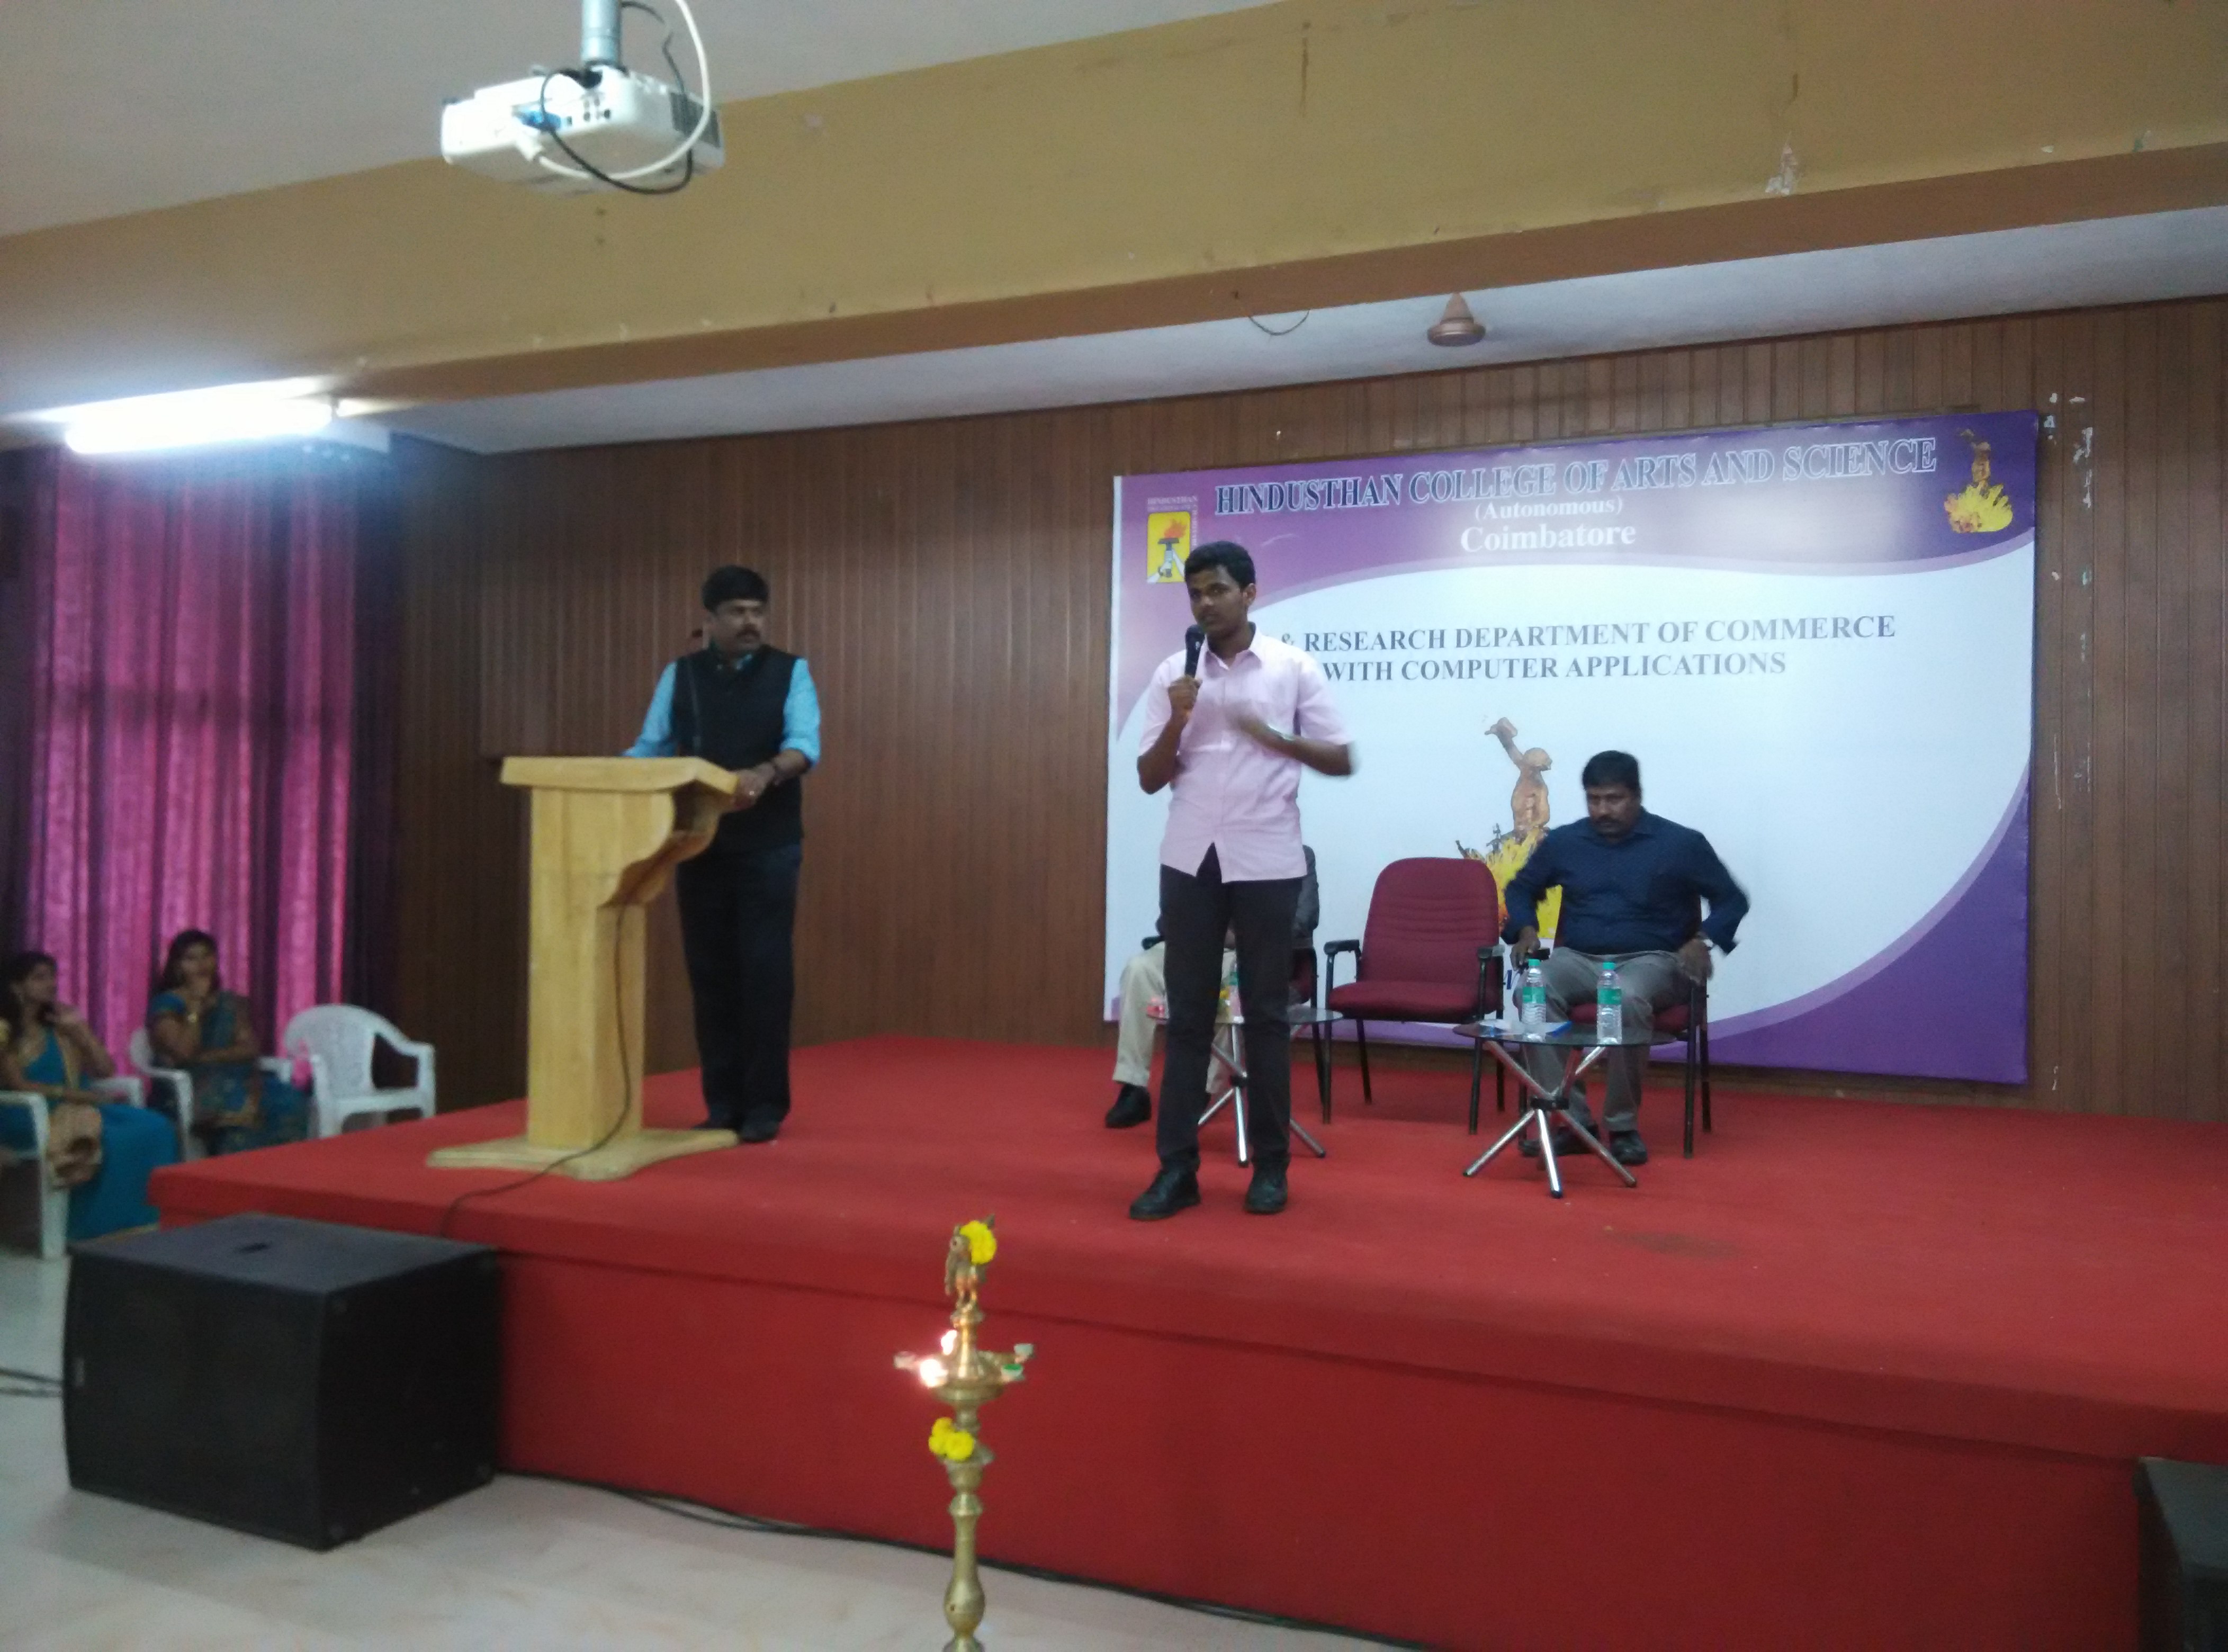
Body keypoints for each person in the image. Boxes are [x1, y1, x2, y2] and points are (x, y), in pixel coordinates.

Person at [1129, 543, 1354, 1220]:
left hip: (1267, 860)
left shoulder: (1292, 667)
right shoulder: (1173, 673)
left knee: (1265, 1019)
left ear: (1249, 593)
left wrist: (1273, 737)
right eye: (1195, 593)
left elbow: (1340, 757)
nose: (1204, 603)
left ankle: (1270, 1167)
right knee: (1187, 1019)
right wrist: (1178, 719)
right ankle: (1177, 1170)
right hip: (1190, 859)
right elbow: (1148, 779)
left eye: (1216, 590)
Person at [626, 565, 821, 1143]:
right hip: (699, 843)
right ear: (709, 621)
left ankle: (764, 1107)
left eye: (757, 611)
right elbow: (650, 747)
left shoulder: (791, 672)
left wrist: (765, 773)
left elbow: (804, 746)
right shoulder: (681, 676)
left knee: (764, 974)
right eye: (736, 612)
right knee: (710, 975)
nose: (750, 622)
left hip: (770, 847)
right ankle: (722, 1106)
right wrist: (604, 777)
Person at [1502, 751, 1747, 1166]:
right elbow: (1520, 889)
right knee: (1533, 991)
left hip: (1655, 961)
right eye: (1594, 800)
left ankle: (1622, 1126)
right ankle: (1570, 1121)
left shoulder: (1680, 844)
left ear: (1637, 796)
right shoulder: (1565, 843)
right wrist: (1525, 929)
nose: (1603, 810)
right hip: (1580, 958)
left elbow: (1732, 900)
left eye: (1614, 799)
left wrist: (1702, 939)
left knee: (1626, 996)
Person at [1106, 847, 1319, 1128]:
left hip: (1251, 953)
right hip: (1196, 947)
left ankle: (1204, 1090)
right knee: (1139, 969)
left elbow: (1303, 920)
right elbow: (1170, 918)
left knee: (1234, 988)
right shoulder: (1201, 850)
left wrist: (1239, 934)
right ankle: (1133, 1086)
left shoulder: (1294, 854)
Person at [1, 951, 181, 1241]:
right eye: (39, 978)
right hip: (29, 1113)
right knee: (110, 1138)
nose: (51, 984)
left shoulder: (59, 1027)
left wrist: (80, 1030)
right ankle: (90, 1226)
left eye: (53, 976)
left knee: (156, 1127)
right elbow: (19, 1085)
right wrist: (84, 1098)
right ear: (16, 986)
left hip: (81, 1107)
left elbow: (104, 1070)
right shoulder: (6, 1030)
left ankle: (142, 1219)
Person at [147, 931, 312, 1155]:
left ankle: (277, 1169)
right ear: (177, 966)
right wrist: (195, 1008)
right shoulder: (166, 1004)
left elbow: (249, 1049)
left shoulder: (229, 1002)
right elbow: (184, 1051)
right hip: (186, 1087)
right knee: (234, 1110)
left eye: (207, 956)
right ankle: (233, 1170)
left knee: (289, 1099)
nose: (201, 965)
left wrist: (205, 1057)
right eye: (191, 958)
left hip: (236, 1078)